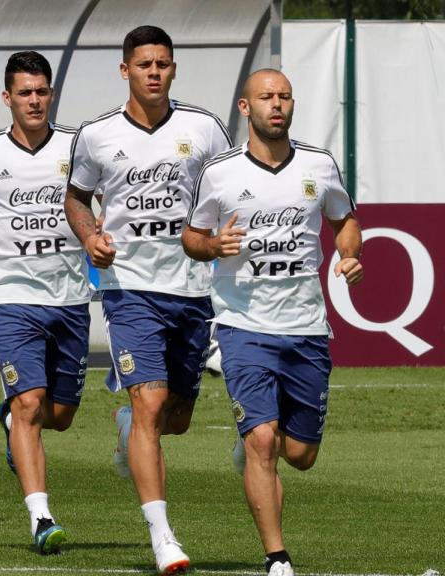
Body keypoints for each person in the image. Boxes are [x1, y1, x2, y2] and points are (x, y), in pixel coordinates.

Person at [64, 25, 232, 574]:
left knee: (176, 418)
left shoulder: (204, 129)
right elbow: (76, 196)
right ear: (125, 70)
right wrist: (90, 236)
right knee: (151, 405)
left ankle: (125, 429)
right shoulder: (96, 135)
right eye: (144, 64)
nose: (154, 72)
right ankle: (162, 537)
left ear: (173, 69)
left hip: (193, 286)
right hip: (129, 289)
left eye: (162, 63)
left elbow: (231, 192)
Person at [183, 68, 362, 576]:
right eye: (266, 97)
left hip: (305, 327)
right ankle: (277, 557)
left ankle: (254, 438)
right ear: (246, 108)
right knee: (262, 440)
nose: (276, 105)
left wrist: (348, 253)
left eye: (284, 97)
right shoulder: (219, 172)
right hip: (243, 325)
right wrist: (214, 245)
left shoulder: (319, 165)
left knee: (301, 454)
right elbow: (192, 238)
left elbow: (344, 220)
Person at [0, 51, 92, 554]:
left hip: (71, 297)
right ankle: (41, 517)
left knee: (61, 413)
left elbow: (101, 200)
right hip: (11, 297)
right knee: (30, 404)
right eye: (24, 92)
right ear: (7, 98)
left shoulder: (77, 147)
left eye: (41, 91)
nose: (34, 100)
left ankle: (11, 422)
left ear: (51, 94)